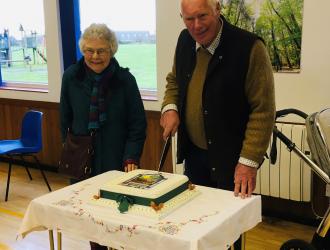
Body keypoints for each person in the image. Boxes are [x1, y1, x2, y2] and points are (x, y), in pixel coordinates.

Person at [161, 0, 275, 198]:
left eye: (202, 16)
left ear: (217, 10)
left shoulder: (250, 47)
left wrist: (248, 162)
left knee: (228, 225)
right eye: (189, 19)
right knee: (196, 219)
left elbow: (263, 111)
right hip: (194, 155)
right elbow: (175, 80)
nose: (196, 25)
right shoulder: (185, 40)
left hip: (233, 160)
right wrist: (170, 107)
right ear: (182, 18)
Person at [60, 23, 147, 250]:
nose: (95, 56)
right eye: (89, 50)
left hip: (117, 163)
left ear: (112, 50)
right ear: (83, 50)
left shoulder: (126, 81)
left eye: (101, 51)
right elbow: (64, 120)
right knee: (92, 222)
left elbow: (137, 125)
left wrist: (131, 157)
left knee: (120, 221)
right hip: (83, 165)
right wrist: (72, 151)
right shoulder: (71, 77)